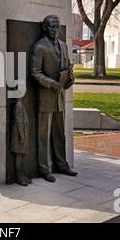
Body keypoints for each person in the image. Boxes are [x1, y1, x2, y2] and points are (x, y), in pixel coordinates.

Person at [30, 15, 77, 183]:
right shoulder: (39, 47)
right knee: (44, 135)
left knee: (59, 133)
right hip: (46, 97)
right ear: (45, 27)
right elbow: (35, 72)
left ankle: (62, 164)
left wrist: (70, 78)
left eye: (57, 27)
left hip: (60, 97)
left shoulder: (64, 46)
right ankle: (44, 168)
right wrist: (52, 84)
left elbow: (66, 68)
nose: (55, 30)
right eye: (52, 27)